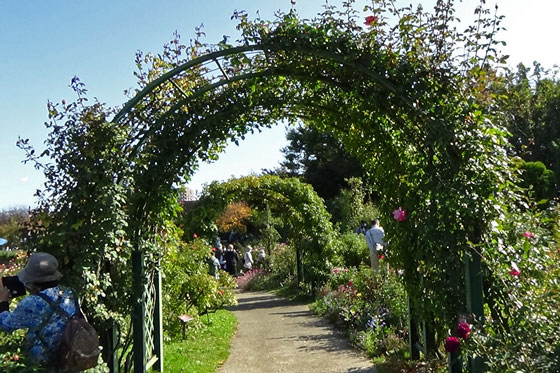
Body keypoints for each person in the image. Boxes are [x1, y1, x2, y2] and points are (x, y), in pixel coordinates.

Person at [0, 252, 77, 369]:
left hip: (45, 365)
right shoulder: (68, 294)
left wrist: (3, 302)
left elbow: (6, 325)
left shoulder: (32, 303)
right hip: (69, 361)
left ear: (32, 282)